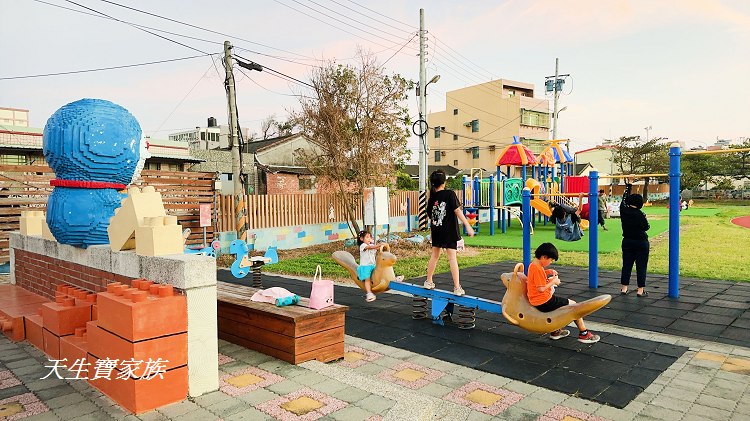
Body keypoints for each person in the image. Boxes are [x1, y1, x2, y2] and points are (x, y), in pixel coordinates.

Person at [526, 242, 601, 343]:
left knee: (560, 307)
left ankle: (556, 331)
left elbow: (536, 277)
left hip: (537, 300)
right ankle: (584, 333)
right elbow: (541, 289)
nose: (551, 262)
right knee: (574, 305)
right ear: (544, 257)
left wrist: (549, 271)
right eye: (551, 260)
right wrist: (553, 281)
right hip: (543, 301)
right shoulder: (538, 269)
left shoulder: (533, 265)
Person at [425, 170, 475, 296]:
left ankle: (428, 281)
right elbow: (458, 211)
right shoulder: (449, 194)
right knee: (452, 258)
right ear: (444, 182)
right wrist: (468, 225)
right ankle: (457, 287)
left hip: (437, 231)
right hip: (448, 232)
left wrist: (432, 234)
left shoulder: (432, 199)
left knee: (434, 256)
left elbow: (433, 218)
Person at [619, 176, 651, 297]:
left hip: (627, 241)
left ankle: (624, 288)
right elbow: (646, 227)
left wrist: (629, 184)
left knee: (626, 265)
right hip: (641, 242)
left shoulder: (623, 210)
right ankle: (640, 290)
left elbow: (624, 198)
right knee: (641, 266)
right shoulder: (641, 214)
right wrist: (645, 218)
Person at [357, 230, 380, 302]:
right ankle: (369, 293)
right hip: (365, 267)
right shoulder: (363, 246)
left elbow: (376, 249)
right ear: (361, 239)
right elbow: (370, 247)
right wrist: (379, 245)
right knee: (367, 280)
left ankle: (392, 278)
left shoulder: (371, 246)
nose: (369, 239)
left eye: (370, 237)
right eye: (367, 237)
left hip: (372, 265)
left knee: (381, 271)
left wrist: (380, 247)